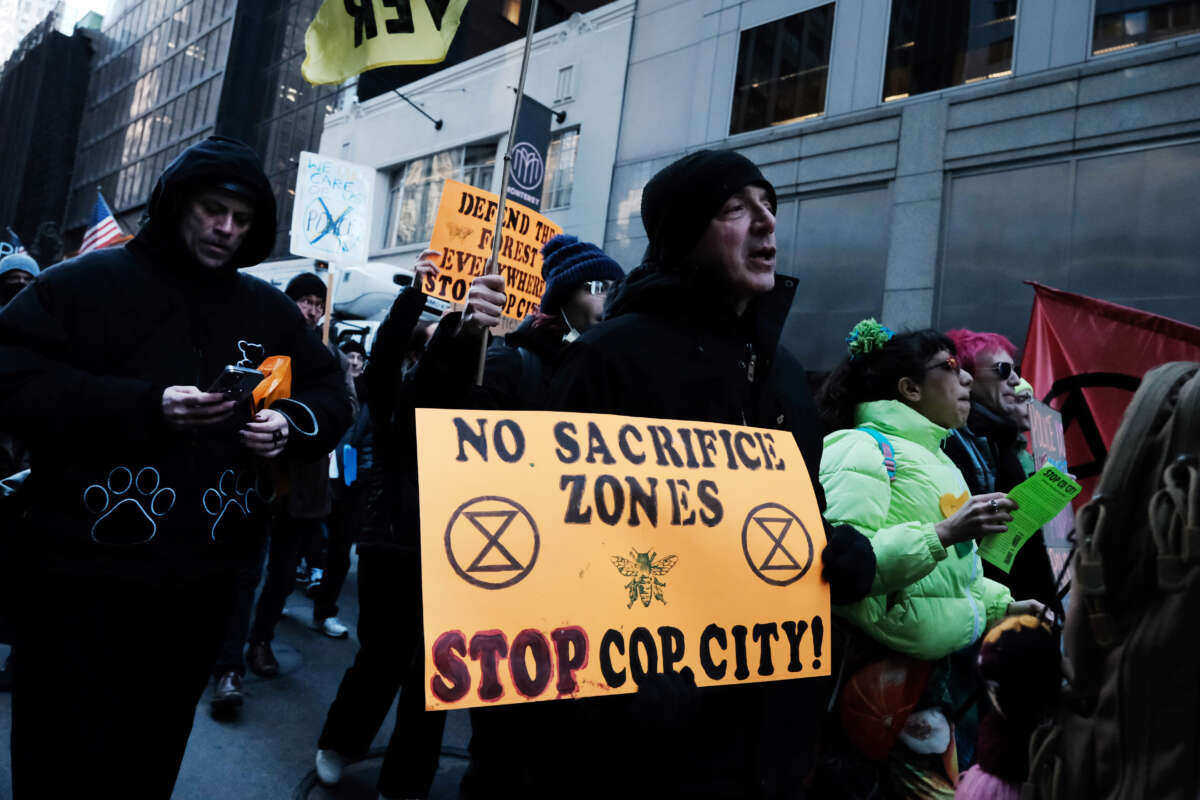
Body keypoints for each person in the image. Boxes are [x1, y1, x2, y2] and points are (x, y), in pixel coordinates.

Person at [0, 136, 353, 797]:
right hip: (81, 580)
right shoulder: (79, 286)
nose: (226, 229)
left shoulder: (268, 310)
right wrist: (143, 406)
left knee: (151, 753)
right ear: (175, 204)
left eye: (243, 220)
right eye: (213, 209)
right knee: (61, 757)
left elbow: (332, 392)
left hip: (202, 586)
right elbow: (10, 377)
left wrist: (289, 423)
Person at [545, 149, 877, 797]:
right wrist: (632, 676)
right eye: (735, 209)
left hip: (770, 735)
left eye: (769, 207)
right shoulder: (609, 360)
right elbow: (563, 544)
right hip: (647, 741)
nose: (766, 225)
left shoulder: (781, 371)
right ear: (683, 236)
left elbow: (795, 518)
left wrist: (840, 553)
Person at [815, 321, 1044, 796]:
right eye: (951, 367)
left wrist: (1004, 605)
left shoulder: (937, 456)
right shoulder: (861, 447)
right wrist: (945, 531)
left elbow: (949, 576)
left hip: (933, 681)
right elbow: (847, 567)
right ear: (910, 389)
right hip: (884, 684)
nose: (965, 380)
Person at [314, 255, 448, 800]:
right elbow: (387, 354)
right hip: (393, 544)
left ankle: (407, 780)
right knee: (381, 657)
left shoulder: (487, 394)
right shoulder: (398, 398)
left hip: (456, 553)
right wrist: (416, 294)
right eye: (438, 338)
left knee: (439, 672)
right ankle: (341, 743)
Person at [413, 232, 624, 410]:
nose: (610, 298)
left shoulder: (608, 372)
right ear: (561, 300)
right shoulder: (509, 365)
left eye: (615, 288)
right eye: (598, 287)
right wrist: (466, 334)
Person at [942, 329, 1059, 613]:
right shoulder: (954, 438)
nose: (1016, 379)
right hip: (987, 602)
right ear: (967, 375)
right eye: (1003, 369)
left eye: (1014, 369)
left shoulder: (998, 438)